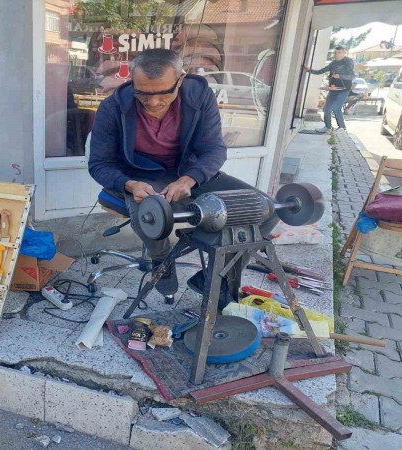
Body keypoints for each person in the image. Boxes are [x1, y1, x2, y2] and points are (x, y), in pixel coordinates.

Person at [88, 49, 278, 298]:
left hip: (189, 171)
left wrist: (190, 179)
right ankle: (161, 259)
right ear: (132, 81)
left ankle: (218, 275)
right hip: (140, 175)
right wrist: (129, 184)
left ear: (181, 79)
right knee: (150, 214)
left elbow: (214, 150)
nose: (153, 102)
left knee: (267, 209)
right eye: (142, 93)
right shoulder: (113, 107)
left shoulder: (199, 97)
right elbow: (99, 164)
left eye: (164, 93)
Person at [304, 46, 355, 133]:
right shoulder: (333, 63)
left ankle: (342, 127)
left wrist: (340, 76)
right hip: (333, 89)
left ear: (344, 53)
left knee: (336, 108)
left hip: (344, 89)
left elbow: (351, 76)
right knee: (326, 109)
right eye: (335, 53)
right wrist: (309, 70)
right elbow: (321, 71)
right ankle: (327, 127)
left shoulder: (348, 62)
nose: (336, 54)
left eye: (339, 52)